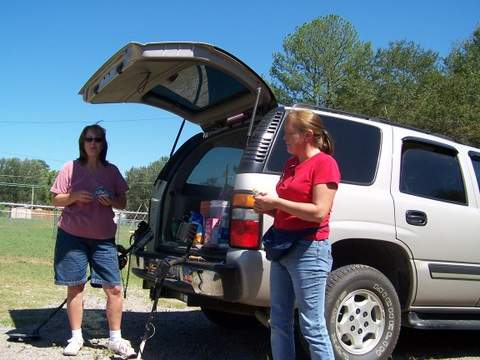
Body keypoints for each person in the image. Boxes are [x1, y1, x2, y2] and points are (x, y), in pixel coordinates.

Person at [253, 110, 340, 360]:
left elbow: (318, 212)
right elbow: (288, 212)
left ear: (307, 135)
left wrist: (277, 202)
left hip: (309, 250)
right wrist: (267, 208)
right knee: (279, 321)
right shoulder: (291, 164)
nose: (284, 139)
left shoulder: (325, 163)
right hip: (283, 246)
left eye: (288, 134)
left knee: (312, 325)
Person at [50, 124, 135, 358]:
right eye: (89, 139)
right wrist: (74, 196)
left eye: (97, 139)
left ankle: (115, 339)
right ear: (82, 142)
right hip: (72, 236)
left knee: (115, 288)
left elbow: (123, 202)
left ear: (103, 143)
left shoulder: (112, 171)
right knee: (75, 286)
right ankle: (76, 337)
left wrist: (111, 201)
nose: (93, 143)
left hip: (103, 239)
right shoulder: (70, 167)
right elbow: (56, 199)